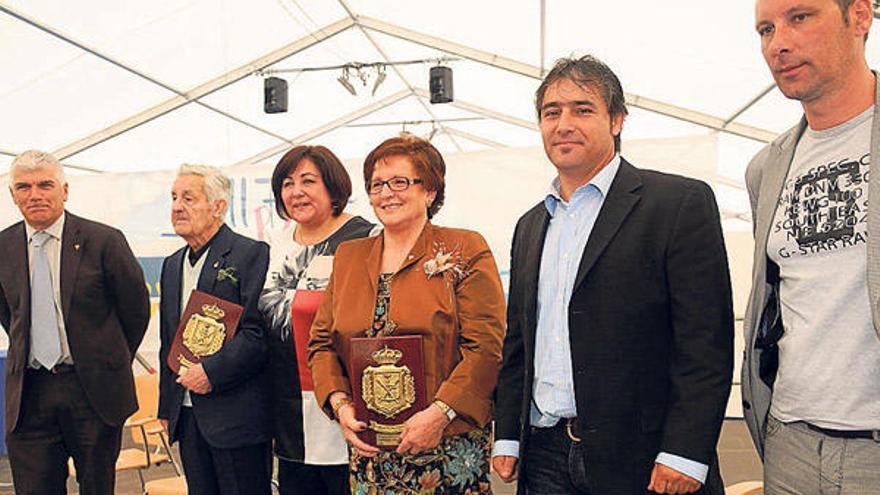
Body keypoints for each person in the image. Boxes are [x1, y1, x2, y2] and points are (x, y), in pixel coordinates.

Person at [492, 55, 734, 495]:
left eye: (582, 109)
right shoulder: (530, 226)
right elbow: (518, 343)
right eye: (552, 112)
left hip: (645, 457)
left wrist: (685, 451)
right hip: (543, 455)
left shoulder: (676, 203)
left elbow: (706, 341)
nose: (564, 123)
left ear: (618, 119)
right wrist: (507, 432)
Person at [308, 134, 506, 494]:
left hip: (445, 443)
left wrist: (440, 413)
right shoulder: (350, 256)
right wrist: (340, 405)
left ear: (429, 191)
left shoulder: (464, 247)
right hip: (371, 450)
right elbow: (321, 344)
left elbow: (486, 348)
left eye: (399, 182)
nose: (386, 193)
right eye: (377, 185)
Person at [743, 0, 880, 491]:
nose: (778, 43)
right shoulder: (766, 167)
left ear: (859, 17)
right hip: (790, 445)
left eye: (800, 17)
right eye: (765, 29)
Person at [0, 150, 150, 494]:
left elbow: (135, 310)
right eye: (23, 186)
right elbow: (10, 315)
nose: (34, 194)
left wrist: (107, 360)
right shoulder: (3, 246)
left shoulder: (104, 241)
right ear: (12, 195)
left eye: (45, 184)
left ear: (64, 190)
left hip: (92, 392)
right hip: (30, 394)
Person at [258, 145, 377, 494]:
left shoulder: (364, 239)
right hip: (289, 408)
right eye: (287, 183)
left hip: (346, 401)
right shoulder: (276, 245)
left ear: (333, 186)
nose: (296, 192)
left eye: (308, 181)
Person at [157, 164, 272, 495]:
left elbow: (256, 335)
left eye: (188, 198)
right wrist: (167, 407)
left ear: (219, 206)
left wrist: (211, 371)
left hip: (237, 416)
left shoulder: (251, 254)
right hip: (188, 416)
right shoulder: (172, 264)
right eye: (174, 197)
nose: (177, 206)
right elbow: (170, 339)